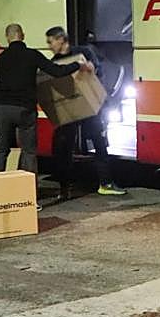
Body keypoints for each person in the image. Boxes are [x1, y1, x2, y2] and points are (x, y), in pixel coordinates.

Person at [44, 26, 126, 198]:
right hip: (70, 109)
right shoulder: (54, 63)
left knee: (99, 143)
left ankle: (105, 183)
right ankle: (65, 188)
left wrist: (90, 67)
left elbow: (96, 70)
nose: (49, 46)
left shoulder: (83, 53)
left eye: (51, 42)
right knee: (64, 148)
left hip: (90, 107)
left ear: (61, 40)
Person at [0, 23, 78, 174]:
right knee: (29, 151)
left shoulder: (0, 58)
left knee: (2, 150)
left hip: (5, 108)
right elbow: (57, 72)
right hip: (25, 108)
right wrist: (77, 64)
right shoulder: (32, 55)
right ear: (22, 35)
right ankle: (30, 185)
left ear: (7, 38)